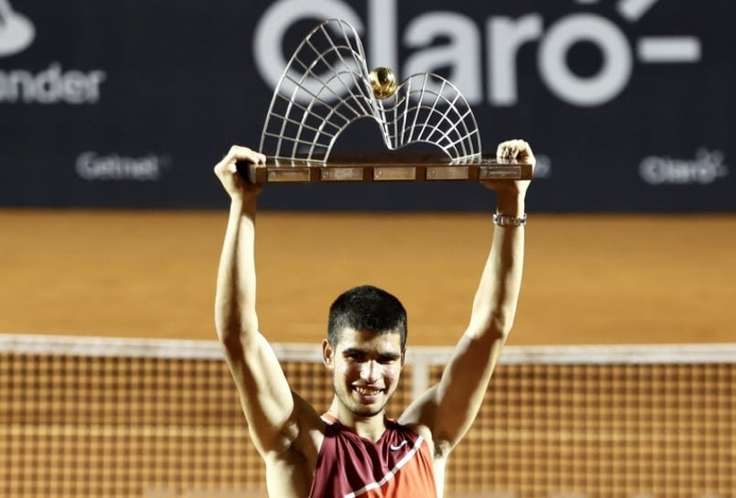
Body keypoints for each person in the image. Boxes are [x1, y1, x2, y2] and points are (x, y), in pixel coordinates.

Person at [213, 139, 533, 498]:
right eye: (356, 356)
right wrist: (243, 203)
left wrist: (511, 200)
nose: (370, 375)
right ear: (329, 353)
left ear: (402, 360)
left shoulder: (424, 442)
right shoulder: (301, 446)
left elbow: (489, 330)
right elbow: (238, 336)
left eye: (385, 359)